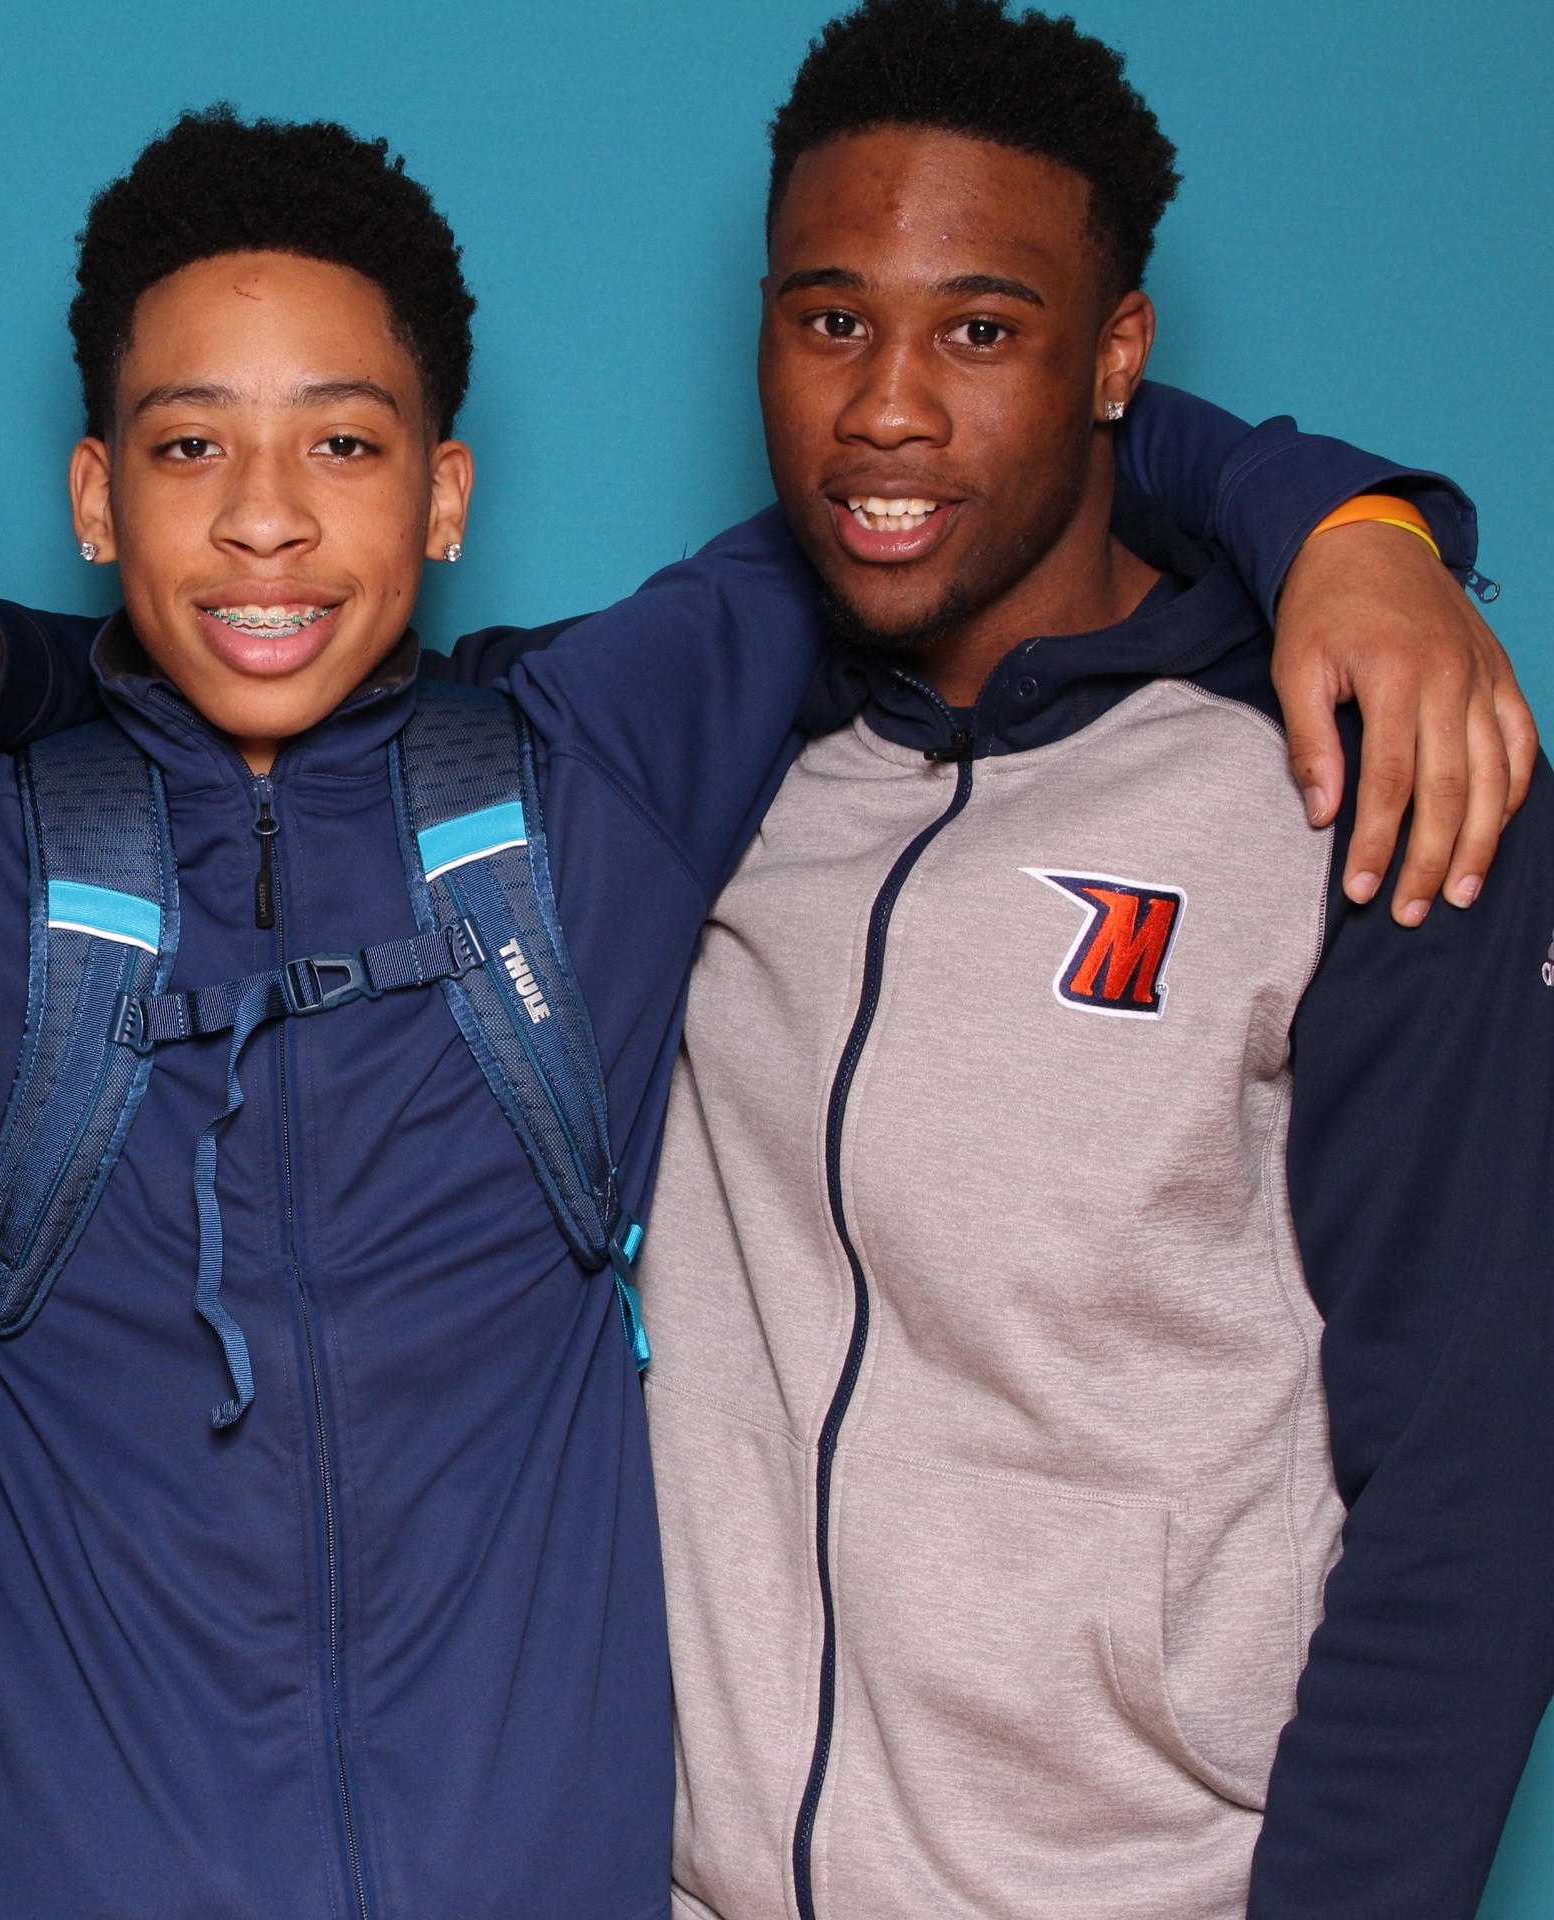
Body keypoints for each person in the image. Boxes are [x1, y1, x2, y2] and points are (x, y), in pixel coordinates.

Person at [0, 107, 1522, 1916]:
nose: (264, 519)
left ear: (447, 496)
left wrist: (1353, 526)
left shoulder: (594, 769)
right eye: (188, 448)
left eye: (343, 445)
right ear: (94, 497)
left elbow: (969, 462)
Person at [622, 5, 1554, 1914]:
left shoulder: (1356, 779)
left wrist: (1361, 529)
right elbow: (250, 651)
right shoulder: (685, 755)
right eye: (829, 320)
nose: (888, 408)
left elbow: (1480, 1468)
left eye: (982, 331)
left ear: (1117, 355)